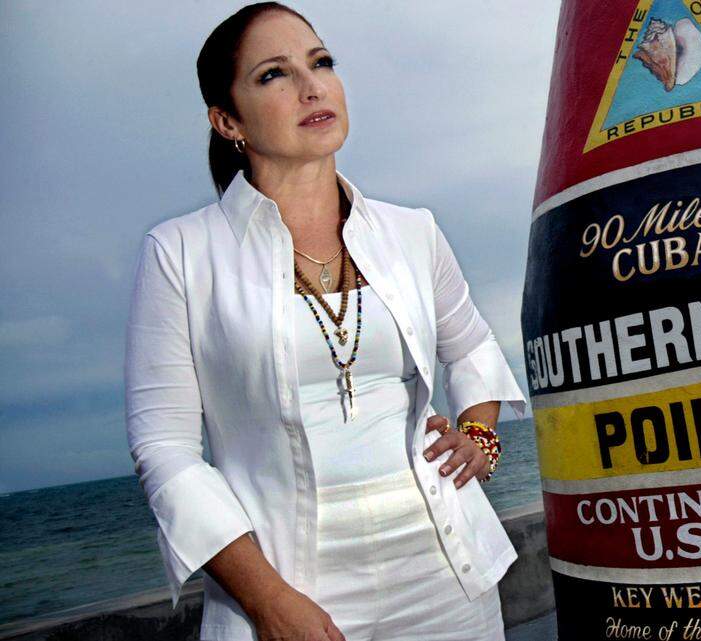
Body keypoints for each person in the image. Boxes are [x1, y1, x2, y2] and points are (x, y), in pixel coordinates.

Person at [123, 3, 528, 640]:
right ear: (227, 120)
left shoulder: (411, 231)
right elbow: (166, 452)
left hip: (447, 578)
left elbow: (472, 343)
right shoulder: (180, 253)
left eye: (322, 62)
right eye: (273, 75)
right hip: (292, 594)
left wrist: (480, 438)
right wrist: (266, 603)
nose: (313, 86)